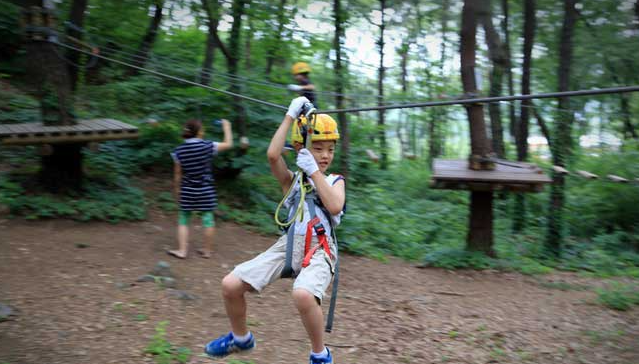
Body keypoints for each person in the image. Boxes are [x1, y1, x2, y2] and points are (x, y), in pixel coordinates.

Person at [204, 97, 345, 364]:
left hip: (320, 250)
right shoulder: (291, 182)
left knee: (303, 294)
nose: (326, 155)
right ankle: (240, 338)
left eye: (330, 149)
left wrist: (314, 171)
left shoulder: (333, 180)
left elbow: (335, 205)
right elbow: (272, 155)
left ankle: (320, 355)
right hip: (288, 246)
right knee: (230, 285)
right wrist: (290, 115)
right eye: (318, 148)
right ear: (301, 148)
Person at [168, 118, 233, 259]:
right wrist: (227, 127)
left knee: (184, 219)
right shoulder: (208, 146)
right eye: (202, 128)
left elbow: (177, 174)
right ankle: (207, 251)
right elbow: (229, 144)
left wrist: (177, 190)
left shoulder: (178, 151)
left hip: (187, 190)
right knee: (208, 219)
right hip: (206, 189)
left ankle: (182, 250)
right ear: (199, 132)